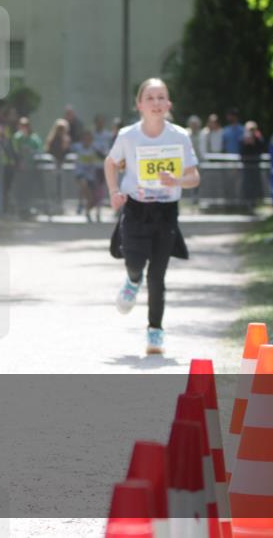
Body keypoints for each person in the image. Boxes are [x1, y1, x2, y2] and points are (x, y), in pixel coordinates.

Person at [104, 78, 200, 355]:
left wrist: (177, 180)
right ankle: (132, 280)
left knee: (157, 275)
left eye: (162, 98)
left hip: (165, 213)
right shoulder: (128, 135)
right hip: (135, 209)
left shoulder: (180, 136)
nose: (156, 103)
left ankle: (155, 331)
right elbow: (111, 163)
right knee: (134, 261)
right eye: (151, 98)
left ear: (169, 104)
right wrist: (113, 191)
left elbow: (194, 177)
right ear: (139, 105)